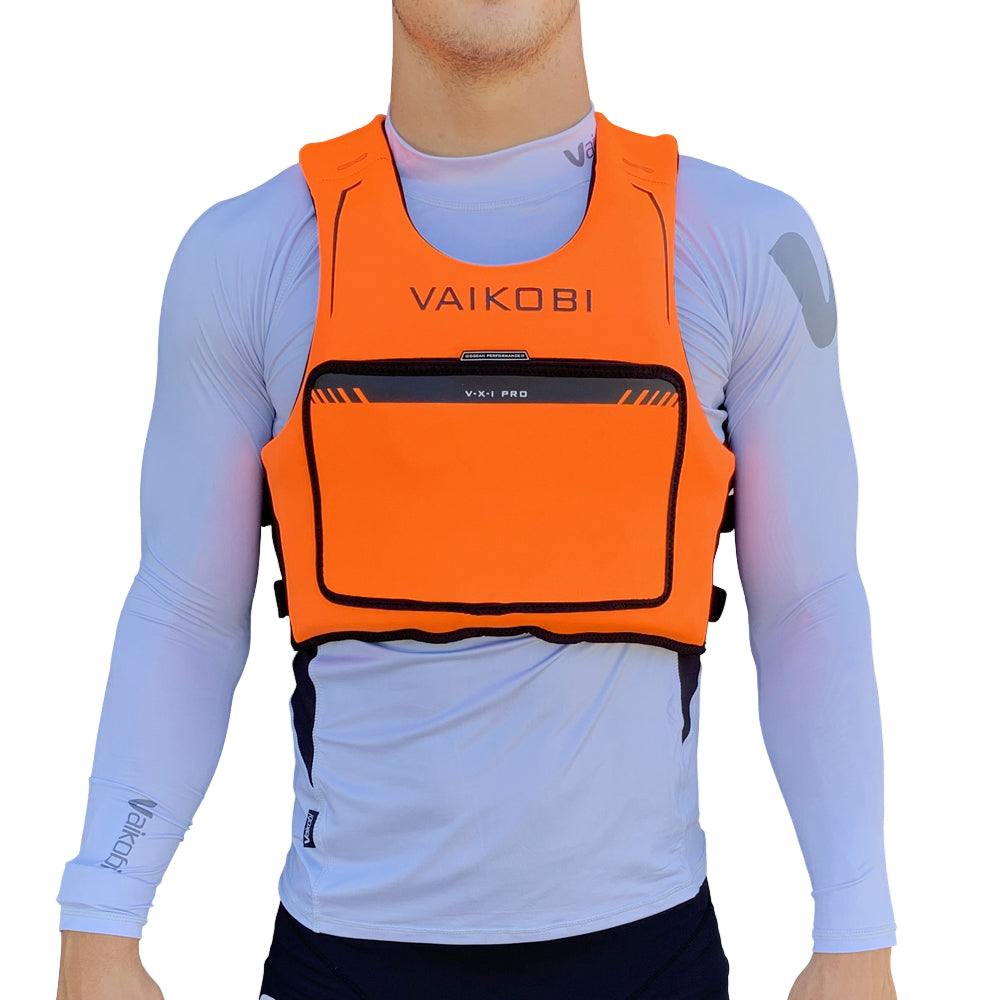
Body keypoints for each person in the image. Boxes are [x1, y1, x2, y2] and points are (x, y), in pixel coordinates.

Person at [55, 2, 898, 998]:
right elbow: (187, 611)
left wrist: (855, 931)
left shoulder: (745, 246)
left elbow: (808, 604)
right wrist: (102, 917)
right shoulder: (249, 255)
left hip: (647, 952)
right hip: (343, 956)